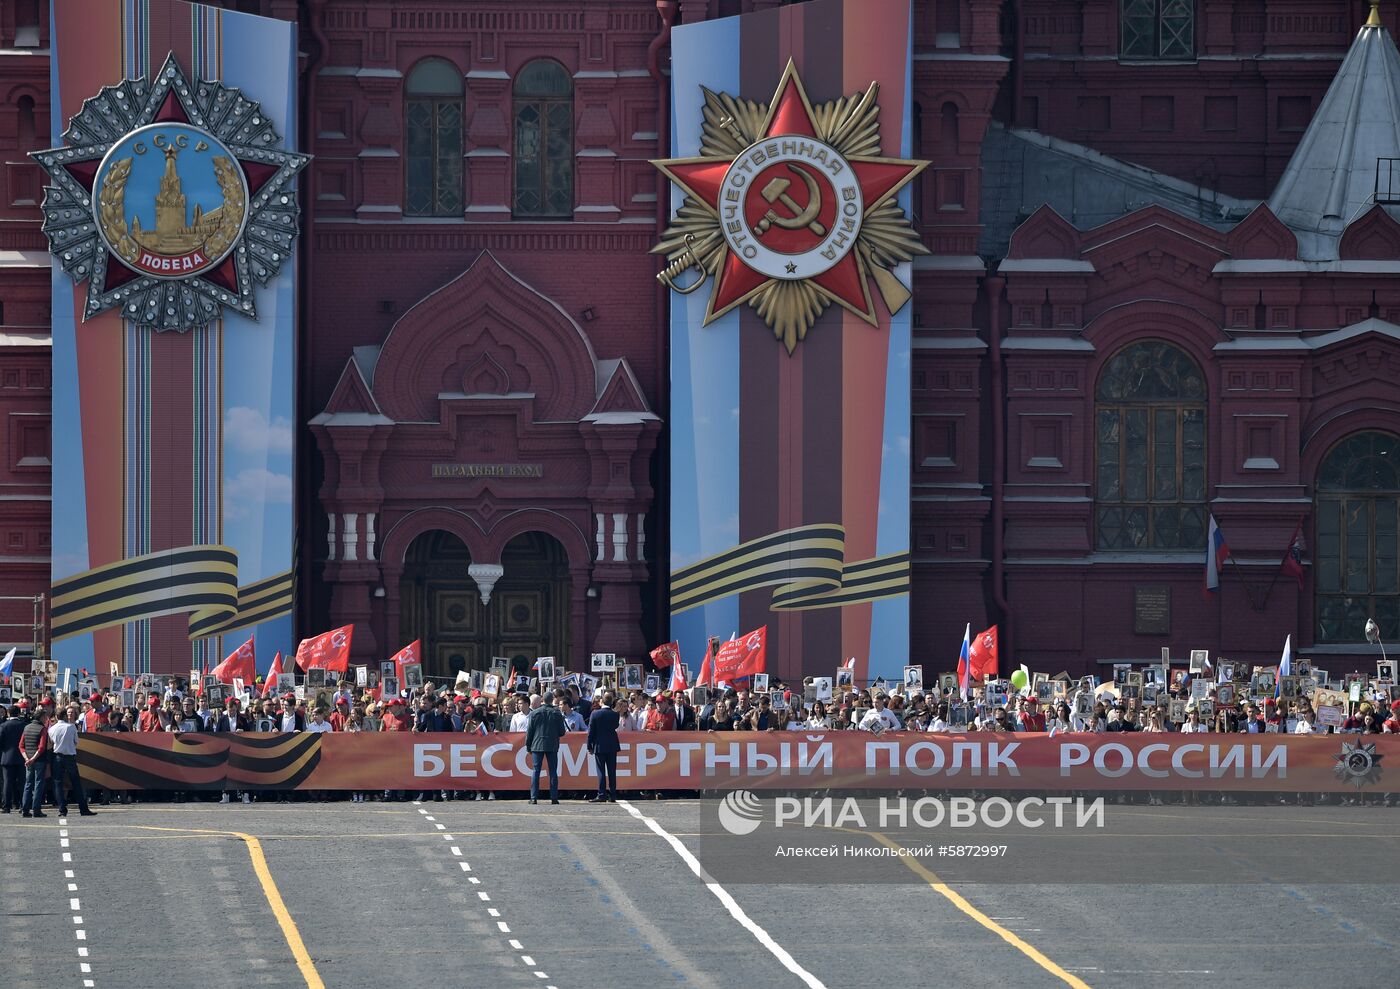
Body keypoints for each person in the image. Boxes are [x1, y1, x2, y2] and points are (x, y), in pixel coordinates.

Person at [48, 706, 95, 817]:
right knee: (76, 783)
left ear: (56, 716)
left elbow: (51, 742)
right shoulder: (71, 727)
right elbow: (75, 742)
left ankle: (62, 809)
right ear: (65, 716)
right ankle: (83, 809)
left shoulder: (52, 729)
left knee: (58, 784)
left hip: (58, 756)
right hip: (69, 756)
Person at [525, 692, 567, 805]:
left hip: (537, 744)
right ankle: (554, 797)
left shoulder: (535, 713)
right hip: (552, 744)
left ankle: (533, 797)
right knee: (553, 771)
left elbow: (530, 732)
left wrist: (528, 746)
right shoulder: (556, 713)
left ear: (542, 700)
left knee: (536, 771)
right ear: (552, 699)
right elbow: (562, 732)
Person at [587, 692, 622, 802]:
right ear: (611, 702)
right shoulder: (615, 714)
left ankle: (602, 794)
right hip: (612, 745)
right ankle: (613, 795)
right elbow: (615, 726)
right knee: (612, 771)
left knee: (601, 771)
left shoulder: (595, 714)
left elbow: (591, 731)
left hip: (599, 745)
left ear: (602, 701)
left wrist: (589, 745)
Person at [20, 707, 52, 818]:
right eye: (45, 717)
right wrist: (33, 759)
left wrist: (27, 759)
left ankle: (24, 809)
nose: (46, 718)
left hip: (28, 761)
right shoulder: (42, 729)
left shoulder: (26, 727)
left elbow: (21, 746)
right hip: (38, 760)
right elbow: (42, 747)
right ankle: (36, 809)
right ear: (41, 717)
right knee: (38, 784)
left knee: (28, 784)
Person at [1, 704, 25, 813]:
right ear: (19, 713)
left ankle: (6, 806)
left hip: (7, 757)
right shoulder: (23, 725)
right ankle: (22, 805)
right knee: (22, 782)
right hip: (21, 757)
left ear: (8, 713)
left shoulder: (3, 726)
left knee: (7, 782)